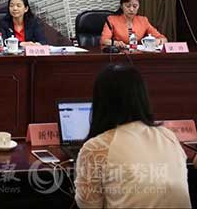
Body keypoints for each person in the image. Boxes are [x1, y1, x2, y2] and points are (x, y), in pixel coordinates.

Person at [75, 64, 190, 208]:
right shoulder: (168, 136)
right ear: (142, 97)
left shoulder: (96, 148)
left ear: (100, 102)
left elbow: (88, 205)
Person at [100, 0, 167, 48]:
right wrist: (115, 43)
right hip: (120, 54)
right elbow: (103, 40)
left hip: (137, 54)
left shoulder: (143, 20)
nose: (131, 9)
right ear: (121, 6)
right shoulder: (112, 20)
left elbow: (163, 38)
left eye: (135, 6)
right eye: (128, 6)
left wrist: (159, 41)